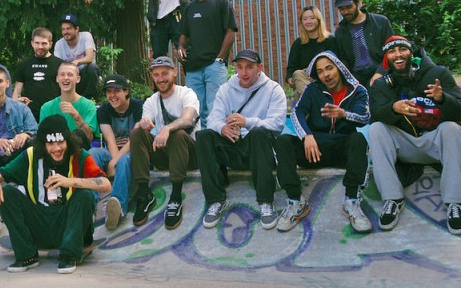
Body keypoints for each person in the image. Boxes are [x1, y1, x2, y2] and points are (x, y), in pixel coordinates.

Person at [368, 36, 461, 234]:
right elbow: (376, 114)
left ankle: (455, 204)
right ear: (386, 59)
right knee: (376, 129)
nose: (397, 54)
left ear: (411, 54)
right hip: (405, 146)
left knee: (452, 128)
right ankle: (392, 199)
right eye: (392, 51)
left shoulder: (438, 74)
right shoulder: (382, 84)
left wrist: (442, 98)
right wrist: (393, 107)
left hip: (435, 143)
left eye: (402, 49)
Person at [0, 115, 111, 274]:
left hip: (69, 226)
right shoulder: (31, 155)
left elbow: (105, 184)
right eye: (51, 144)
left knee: (84, 195)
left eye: (61, 142)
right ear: (43, 144)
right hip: (39, 222)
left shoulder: (81, 156)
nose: (57, 148)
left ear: (68, 141)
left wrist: (70, 181)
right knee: (7, 192)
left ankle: (70, 255)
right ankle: (26, 256)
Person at [277, 51, 371, 233]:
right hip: (313, 150)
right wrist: (306, 136)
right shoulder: (313, 89)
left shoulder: (357, 90)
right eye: (320, 71)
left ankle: (352, 201)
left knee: (358, 139)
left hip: (341, 150)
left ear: (340, 68)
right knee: (283, 141)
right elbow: (297, 113)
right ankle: (295, 202)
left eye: (329, 68)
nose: (326, 75)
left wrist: (344, 114)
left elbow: (365, 116)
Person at [196, 49, 287, 231]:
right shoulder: (226, 89)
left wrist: (247, 122)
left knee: (259, 133)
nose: (244, 73)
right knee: (204, 135)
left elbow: (277, 124)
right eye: (239, 67)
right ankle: (215, 200)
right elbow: (213, 119)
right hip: (234, 147)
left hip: (259, 152)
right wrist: (223, 128)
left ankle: (266, 202)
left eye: (249, 67)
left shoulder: (273, 89)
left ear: (260, 68)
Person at [129, 57, 200, 230]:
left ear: (174, 72)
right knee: (137, 132)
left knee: (176, 134)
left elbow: (188, 119)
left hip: (189, 156)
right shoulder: (151, 101)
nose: (161, 78)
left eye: (165, 73)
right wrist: (144, 124)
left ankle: (175, 197)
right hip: (165, 157)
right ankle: (144, 193)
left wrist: (167, 128)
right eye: (156, 75)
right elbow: (144, 121)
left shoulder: (187, 93)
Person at [177, 0, 238, 124]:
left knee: (215, 111)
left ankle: (215, 146)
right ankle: (199, 146)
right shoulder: (190, 7)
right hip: (193, 69)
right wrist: (180, 47)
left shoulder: (221, 3)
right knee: (194, 112)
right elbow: (184, 34)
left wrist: (219, 59)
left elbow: (230, 33)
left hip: (214, 67)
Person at [92, 74, 144, 230]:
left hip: (133, 152)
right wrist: (112, 161)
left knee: (124, 160)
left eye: (117, 91)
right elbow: (110, 140)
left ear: (126, 91)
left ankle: (118, 206)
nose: (112, 96)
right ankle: (89, 204)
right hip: (113, 150)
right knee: (93, 153)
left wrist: (114, 162)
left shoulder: (138, 106)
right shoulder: (103, 110)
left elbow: (135, 138)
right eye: (109, 92)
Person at [333, 0, 393, 87]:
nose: (345, 12)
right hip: (356, 77)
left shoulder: (380, 22)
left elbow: (391, 51)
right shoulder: (340, 32)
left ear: (358, 3)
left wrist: (380, 72)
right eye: (341, 9)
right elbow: (343, 59)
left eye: (349, 7)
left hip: (380, 70)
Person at [37, 62, 99, 148]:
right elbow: (41, 138)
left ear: (78, 79)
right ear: (57, 78)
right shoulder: (47, 107)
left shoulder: (88, 105)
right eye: (62, 75)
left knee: (78, 134)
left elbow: (89, 138)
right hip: (54, 152)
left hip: (78, 152)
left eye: (70, 75)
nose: (66, 78)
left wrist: (77, 118)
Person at [284, 6, 338, 102]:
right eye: (305, 19)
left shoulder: (330, 40)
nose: (308, 22)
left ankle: (316, 104)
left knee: (298, 94)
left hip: (325, 78)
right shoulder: (298, 43)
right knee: (297, 74)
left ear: (318, 20)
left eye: (312, 18)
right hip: (304, 79)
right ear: (301, 22)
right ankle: (319, 102)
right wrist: (289, 78)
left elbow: (336, 64)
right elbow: (291, 68)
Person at [12, 27, 63, 120]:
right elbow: (17, 92)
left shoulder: (60, 65)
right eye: (37, 43)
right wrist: (16, 105)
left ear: (50, 44)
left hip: (54, 113)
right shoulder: (24, 64)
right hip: (29, 115)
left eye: (44, 43)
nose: (40, 47)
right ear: (32, 43)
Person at [53, 13, 99, 99]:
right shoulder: (59, 44)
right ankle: (62, 98)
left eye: (68, 29)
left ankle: (89, 99)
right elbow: (57, 65)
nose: (65, 32)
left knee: (92, 68)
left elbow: (89, 58)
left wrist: (76, 62)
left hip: (84, 76)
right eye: (63, 29)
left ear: (77, 29)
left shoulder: (86, 36)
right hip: (69, 77)